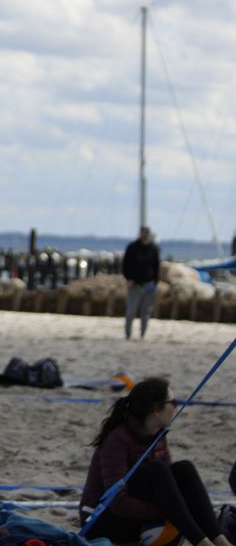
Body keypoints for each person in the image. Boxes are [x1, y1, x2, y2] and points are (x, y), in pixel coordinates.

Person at [79, 377, 232, 546]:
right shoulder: (117, 439)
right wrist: (169, 511)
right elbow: (118, 503)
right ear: (155, 410)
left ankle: (221, 541)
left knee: (184, 469)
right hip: (100, 521)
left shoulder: (157, 435)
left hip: (135, 515)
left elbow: (170, 487)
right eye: (173, 402)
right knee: (158, 470)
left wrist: (175, 508)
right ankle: (204, 544)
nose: (176, 407)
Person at [122, 226, 161, 339]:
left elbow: (156, 266)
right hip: (135, 285)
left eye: (146, 233)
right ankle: (128, 335)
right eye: (143, 233)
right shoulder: (132, 247)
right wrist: (128, 278)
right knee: (131, 311)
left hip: (149, 285)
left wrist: (156, 282)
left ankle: (142, 335)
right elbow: (125, 264)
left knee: (146, 312)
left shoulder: (153, 249)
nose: (144, 235)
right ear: (140, 234)